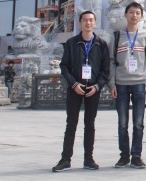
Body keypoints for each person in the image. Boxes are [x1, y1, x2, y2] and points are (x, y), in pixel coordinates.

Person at [53, 10, 111, 173]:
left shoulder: (101, 44)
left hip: (93, 89)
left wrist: (98, 86)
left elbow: (105, 69)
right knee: (71, 123)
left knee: (90, 124)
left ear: (95, 23)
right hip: (75, 88)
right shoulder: (72, 43)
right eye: (85, 20)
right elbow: (64, 66)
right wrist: (73, 84)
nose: (88, 23)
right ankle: (65, 159)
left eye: (91, 20)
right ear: (80, 23)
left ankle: (88, 159)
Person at [110, 2, 146, 169]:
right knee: (122, 123)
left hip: (138, 84)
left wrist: (143, 77)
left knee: (138, 123)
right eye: (131, 12)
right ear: (125, 15)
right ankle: (124, 156)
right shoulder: (117, 36)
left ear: (141, 16)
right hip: (121, 84)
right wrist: (112, 83)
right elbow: (111, 61)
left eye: (137, 13)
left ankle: (136, 156)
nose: (134, 16)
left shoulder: (145, 35)